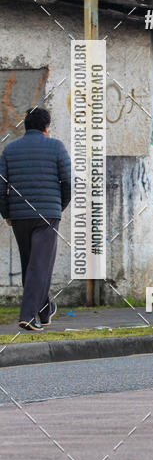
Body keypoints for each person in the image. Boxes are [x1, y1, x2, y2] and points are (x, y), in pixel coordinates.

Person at [0, 107, 71, 331]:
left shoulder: (9, 150)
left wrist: (7, 213)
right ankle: (28, 317)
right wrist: (58, 207)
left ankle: (45, 310)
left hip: (19, 216)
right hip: (46, 216)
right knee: (39, 266)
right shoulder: (57, 147)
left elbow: (1, 187)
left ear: (26, 126)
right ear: (46, 127)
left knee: (31, 264)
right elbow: (68, 182)